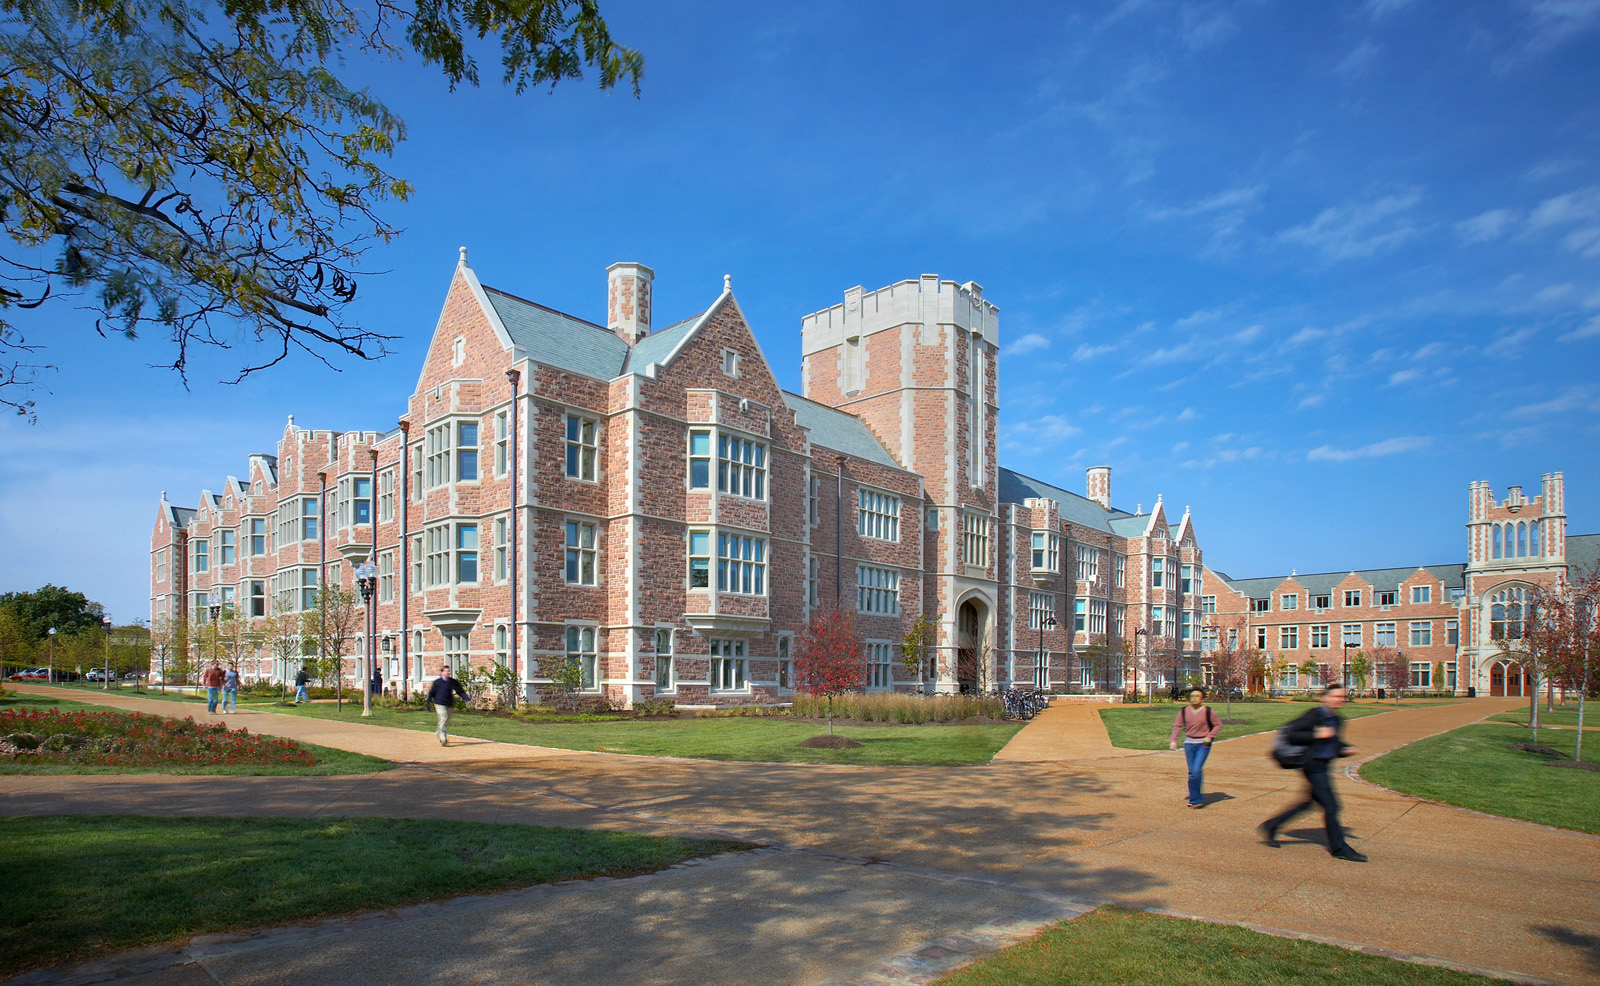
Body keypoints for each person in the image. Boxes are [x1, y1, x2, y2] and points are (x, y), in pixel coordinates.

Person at [1259, 684, 1366, 861]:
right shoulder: (1314, 715)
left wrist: (1344, 748)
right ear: (1325, 697)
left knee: (1308, 803)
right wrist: (1316, 733)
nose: (1339, 700)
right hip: (1313, 766)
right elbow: (1293, 734)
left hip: (1324, 766)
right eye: (1335, 696)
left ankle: (1271, 825)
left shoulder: (1338, 720)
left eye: (1342, 697)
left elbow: (1333, 744)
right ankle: (1339, 848)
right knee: (1332, 806)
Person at [1169, 687, 1220, 808]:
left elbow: (1218, 725)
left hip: (1203, 744)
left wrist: (1210, 736)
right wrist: (1173, 740)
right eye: (1192, 696)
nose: (1194, 698)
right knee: (1192, 772)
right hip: (1189, 744)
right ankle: (1195, 797)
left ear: (1202, 698)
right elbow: (1177, 726)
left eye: (1197, 696)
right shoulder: (1184, 711)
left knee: (1196, 769)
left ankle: (1197, 799)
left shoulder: (1208, 711)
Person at [428, 664, 469, 746]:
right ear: (442, 672)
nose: (448, 672)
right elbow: (431, 693)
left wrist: (466, 698)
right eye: (446, 671)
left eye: (449, 671)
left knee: (447, 720)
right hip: (439, 703)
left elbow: (459, 690)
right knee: (443, 717)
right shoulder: (437, 682)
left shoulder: (452, 682)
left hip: (449, 703)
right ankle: (442, 736)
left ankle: (439, 731)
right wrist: (427, 703)